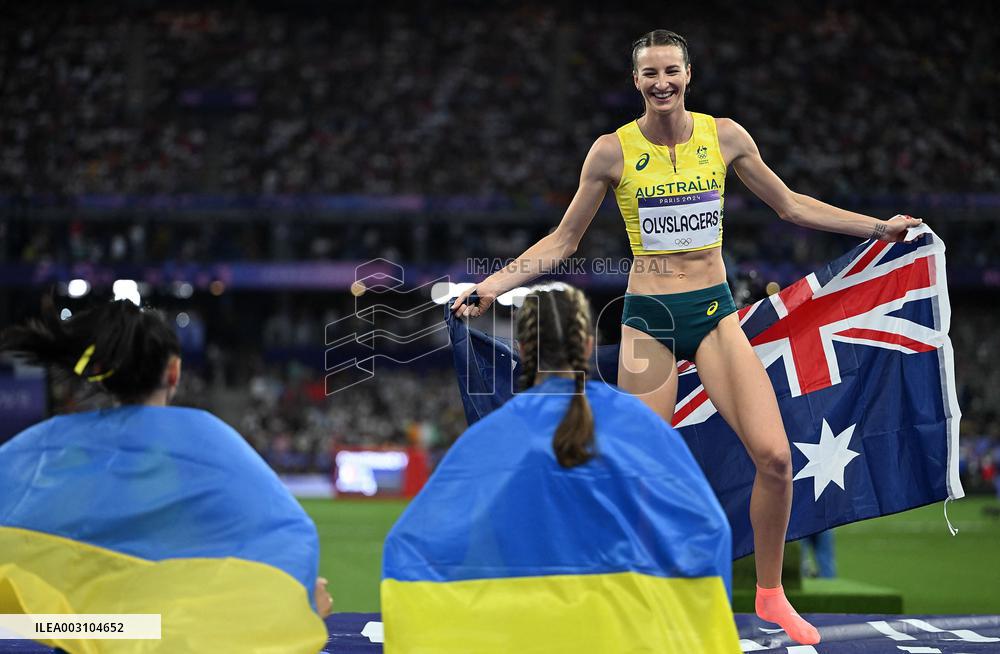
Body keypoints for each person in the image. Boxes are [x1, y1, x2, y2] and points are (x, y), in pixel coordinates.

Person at [452, 29, 923, 645]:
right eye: (649, 74)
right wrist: (491, 288)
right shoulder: (610, 152)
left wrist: (878, 228)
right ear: (636, 81)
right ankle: (627, 590)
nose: (661, 83)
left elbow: (789, 205)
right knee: (635, 471)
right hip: (649, 321)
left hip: (714, 315)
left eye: (670, 71)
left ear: (688, 74)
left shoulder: (725, 137)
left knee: (777, 459)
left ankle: (772, 597)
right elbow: (564, 242)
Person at [386, 283, 739, 652]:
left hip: (524, 635)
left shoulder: (491, 436)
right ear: (587, 346)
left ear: (521, 350)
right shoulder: (639, 425)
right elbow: (707, 530)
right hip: (620, 635)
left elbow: (409, 548)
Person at [0, 298, 332, 652]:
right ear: (174, 372)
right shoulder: (213, 446)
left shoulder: (53, 450)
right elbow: (276, 536)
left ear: (103, 376)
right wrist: (298, 602)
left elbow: (66, 608)